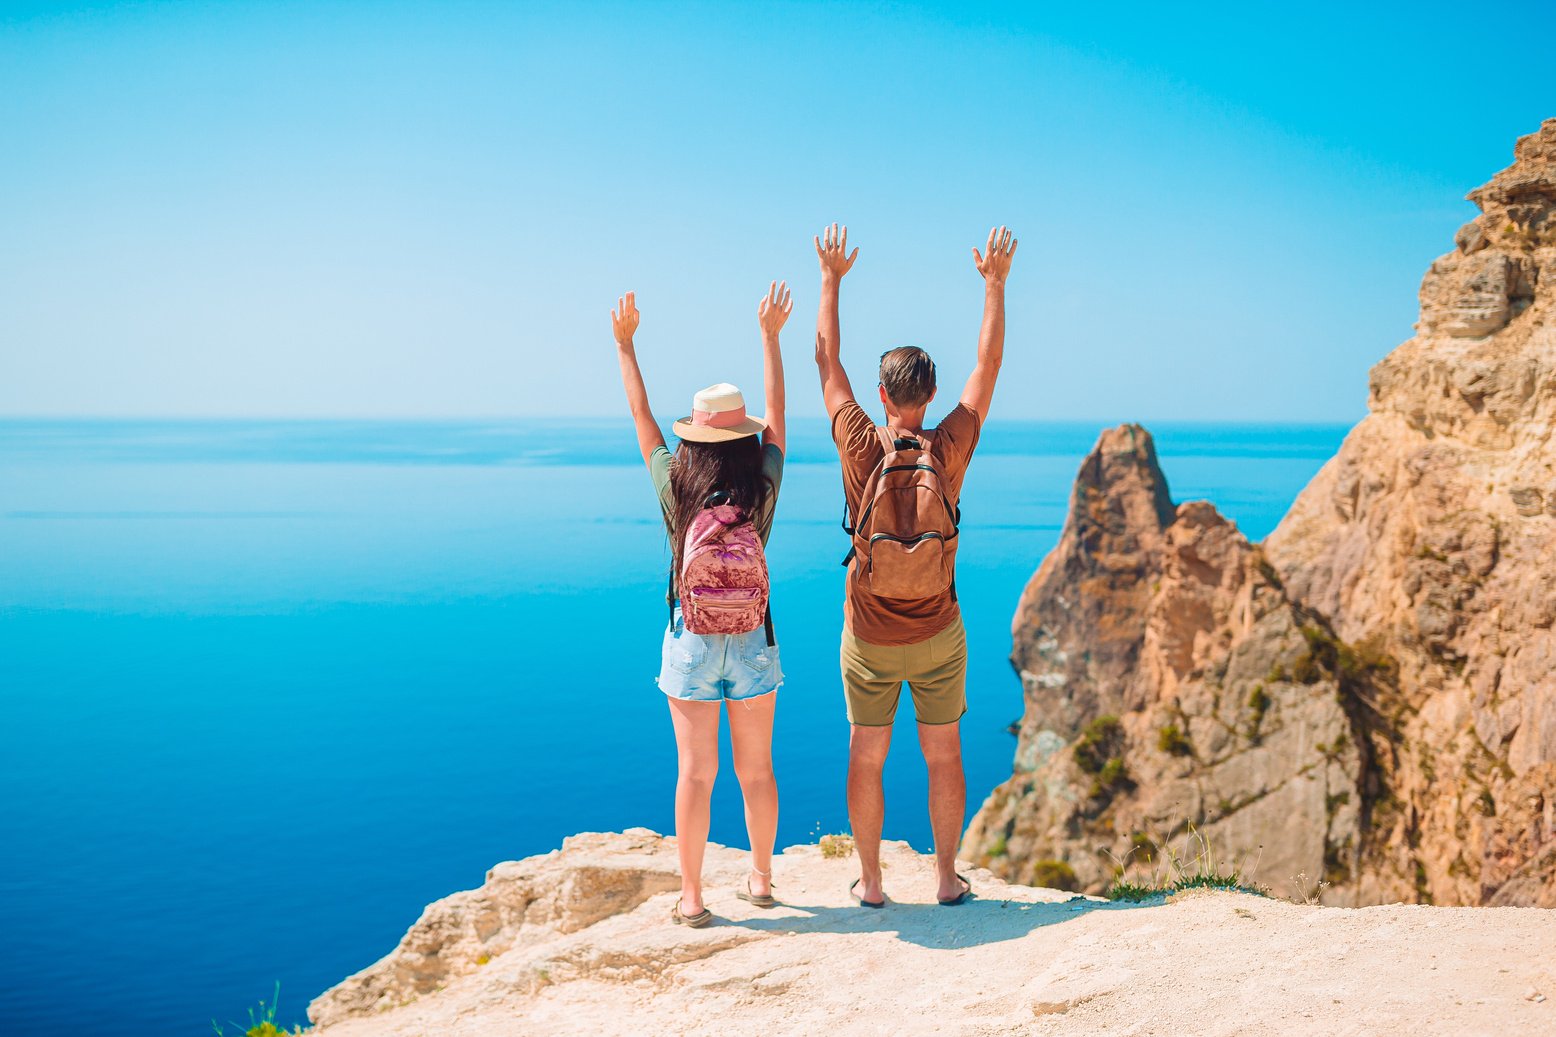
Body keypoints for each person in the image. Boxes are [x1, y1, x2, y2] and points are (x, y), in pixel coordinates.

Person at [812, 222, 1017, 908]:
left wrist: (831, 278)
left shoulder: (859, 446)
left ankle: (870, 883)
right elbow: (986, 370)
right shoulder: (951, 445)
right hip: (938, 633)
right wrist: (994, 285)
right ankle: (945, 878)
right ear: (929, 394)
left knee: (866, 756)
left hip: (868, 636)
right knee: (945, 756)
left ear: (882, 392)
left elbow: (823, 359)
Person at [611, 281, 794, 927]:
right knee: (757, 769)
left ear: (694, 436)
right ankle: (763, 880)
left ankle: (692, 899)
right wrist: (771, 337)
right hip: (753, 636)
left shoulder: (676, 486)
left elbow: (642, 421)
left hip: (689, 635)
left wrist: (627, 346)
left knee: (696, 773)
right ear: (744, 437)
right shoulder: (762, 484)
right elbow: (778, 419)